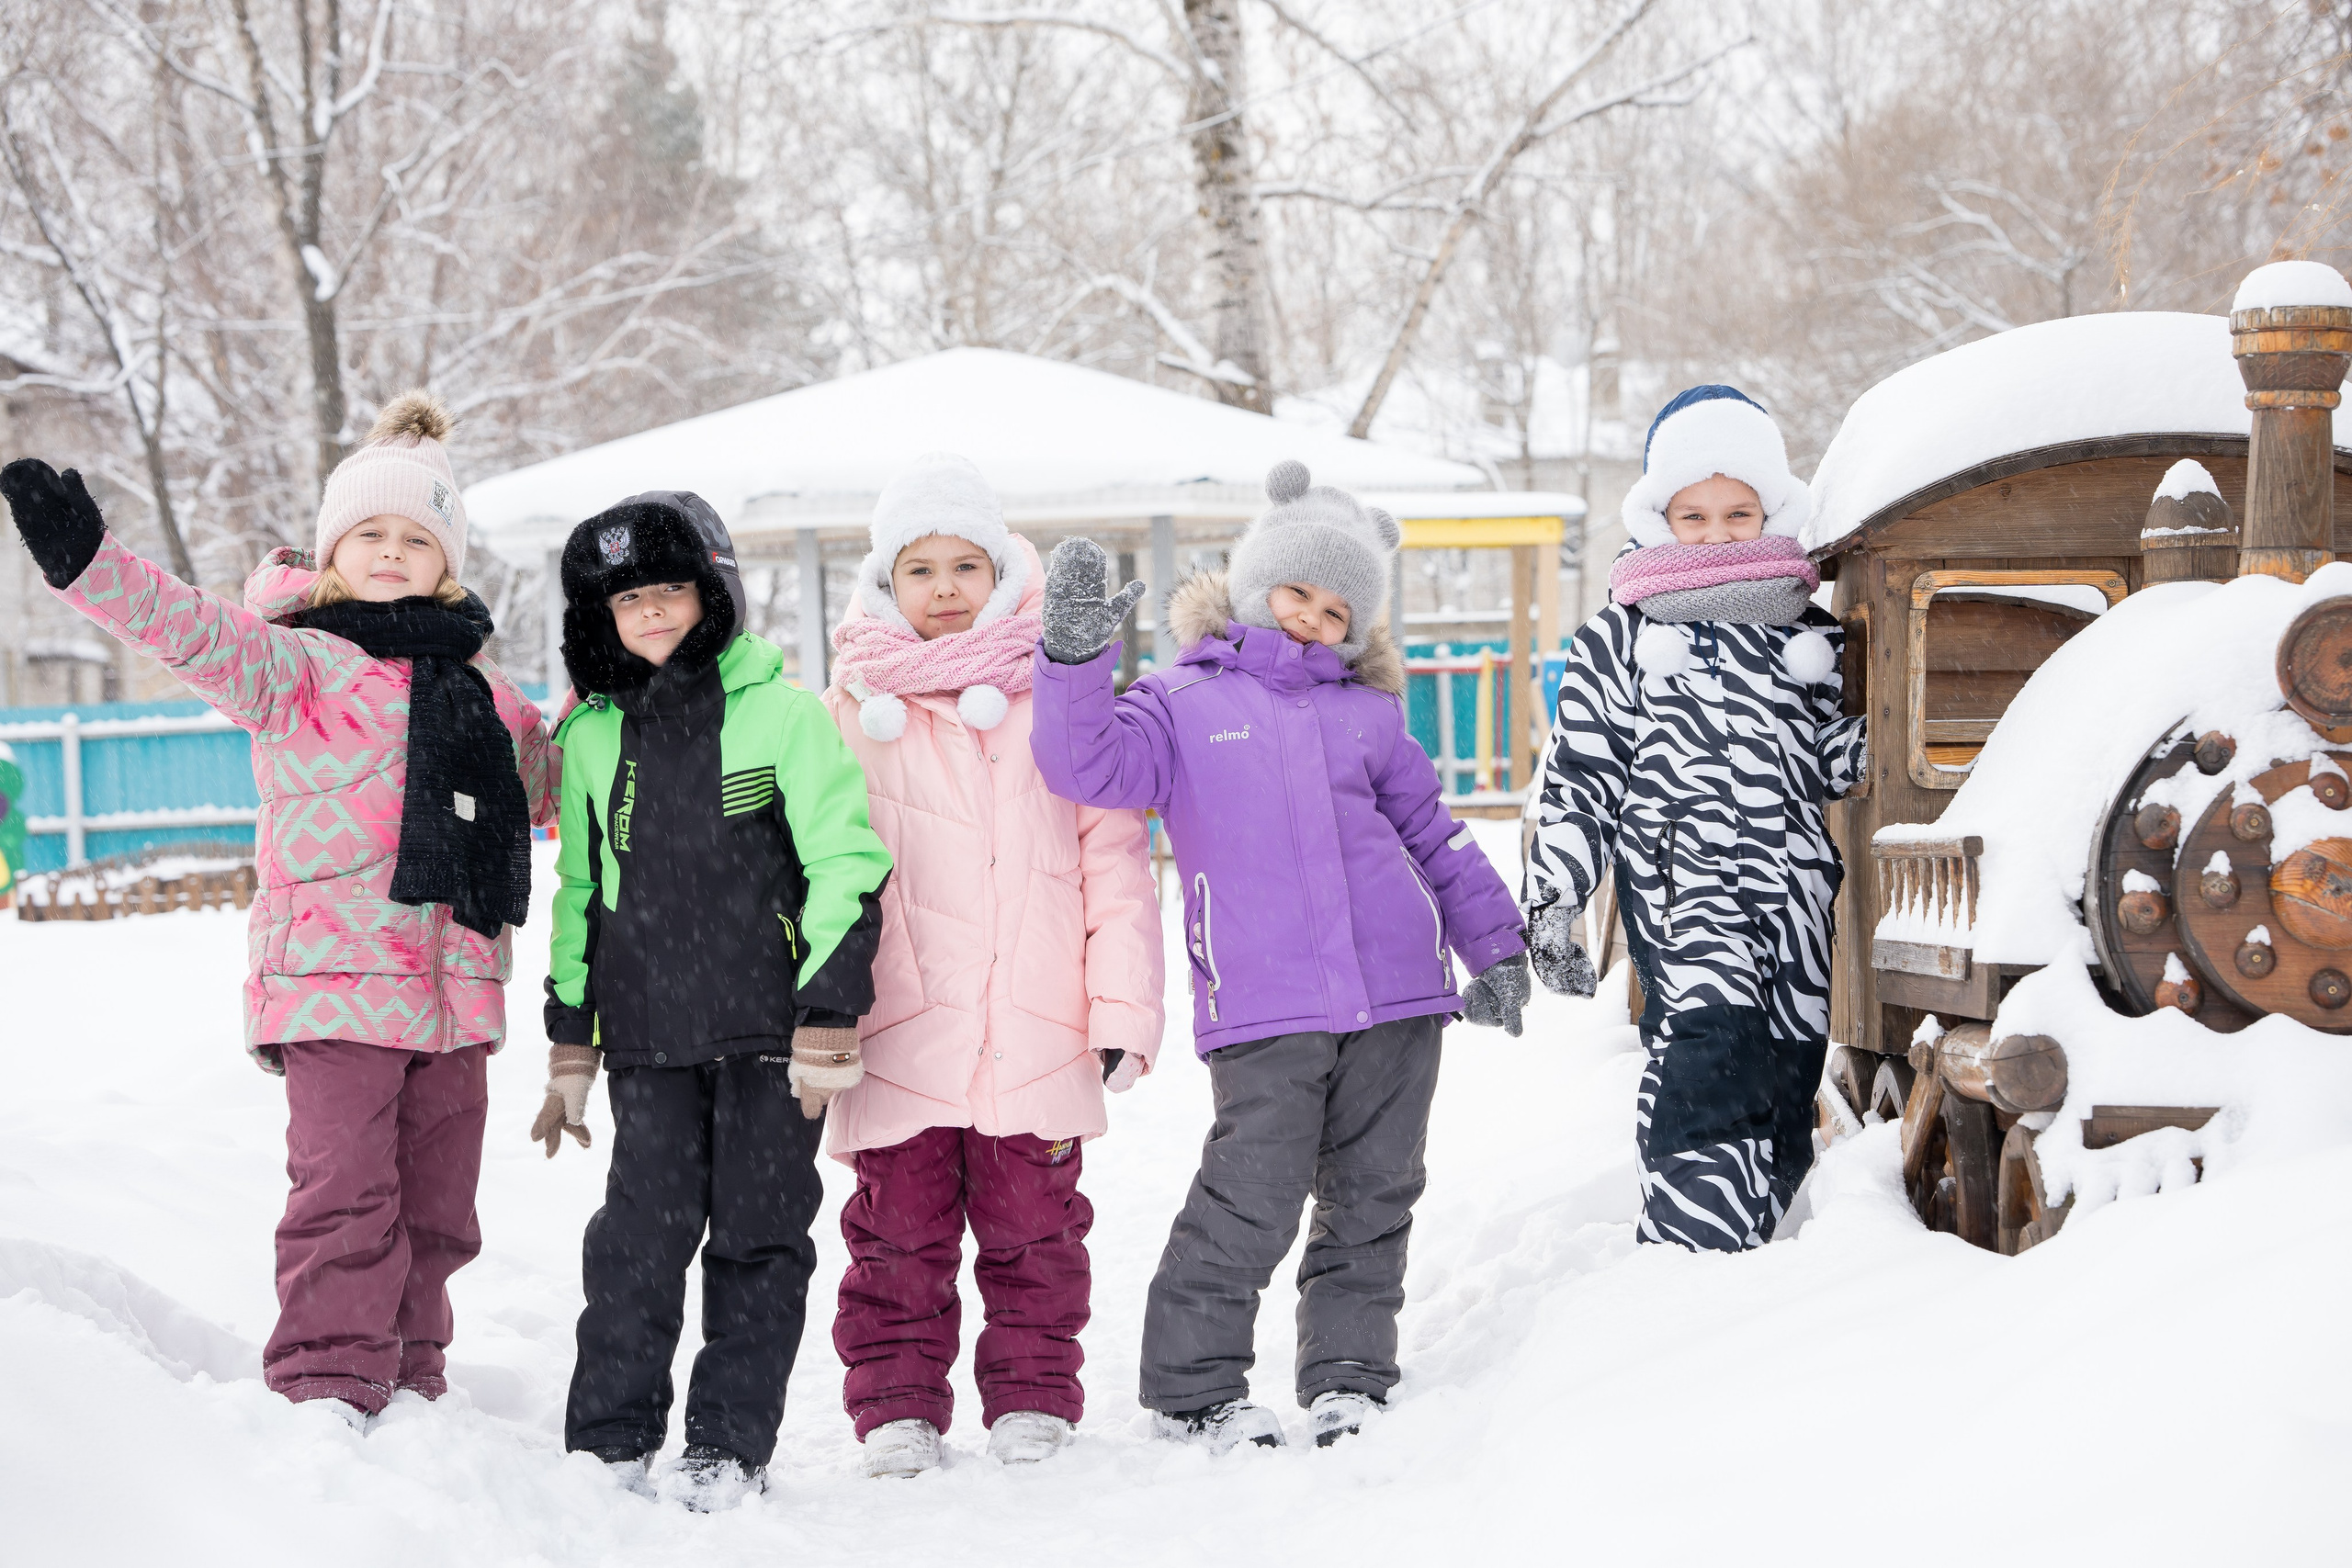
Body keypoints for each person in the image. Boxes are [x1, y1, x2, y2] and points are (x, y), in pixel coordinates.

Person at [0, 395, 556, 1420]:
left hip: (455, 991)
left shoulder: (485, 689)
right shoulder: (298, 662)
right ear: (337, 551)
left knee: (438, 1212)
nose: (393, 553)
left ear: (449, 561)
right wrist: (90, 564)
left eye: (417, 538)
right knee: (344, 1196)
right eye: (371, 534)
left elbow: (557, 776)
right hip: (335, 985)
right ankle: (328, 1386)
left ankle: (414, 1374)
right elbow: (191, 632)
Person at [1028, 460, 1529, 1454]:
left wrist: (1496, 946)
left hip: (1397, 997)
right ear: (1254, 582)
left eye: (1337, 607)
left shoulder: (1369, 715)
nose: (1310, 617)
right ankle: (1192, 1389)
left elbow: (1433, 835)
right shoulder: (1177, 700)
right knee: (1248, 1198)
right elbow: (1085, 765)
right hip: (1266, 1002)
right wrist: (1076, 659)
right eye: (1296, 591)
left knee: (1374, 1194)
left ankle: (1348, 1376)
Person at [537, 489, 891, 1509]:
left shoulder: (781, 715)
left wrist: (827, 1012)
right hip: (647, 1040)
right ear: (598, 618)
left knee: (758, 1239)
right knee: (636, 1242)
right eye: (626, 599)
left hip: (769, 1039)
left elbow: (846, 864)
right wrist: (572, 1040)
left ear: (712, 592)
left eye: (669, 591)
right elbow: (581, 893)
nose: (650, 613)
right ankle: (605, 1442)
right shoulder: (593, 737)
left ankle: (727, 1444)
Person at [820, 454, 1163, 1478]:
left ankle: (1030, 1395)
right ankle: (893, 1404)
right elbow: (815, 869)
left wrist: (1121, 1013)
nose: (943, 589)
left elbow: (1114, 861)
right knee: (895, 1237)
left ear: (1004, 576)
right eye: (918, 570)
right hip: (901, 1020)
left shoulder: (1056, 702)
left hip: (1036, 1015)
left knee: (1036, 1232)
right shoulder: (847, 714)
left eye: (966, 566)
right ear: (886, 584)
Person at [1523, 384, 1868, 1252]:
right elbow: (1582, 773)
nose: (1717, 534)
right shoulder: (1623, 637)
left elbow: (1827, 761)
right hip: (1685, 883)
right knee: (1706, 1046)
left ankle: (1748, 1244)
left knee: (1788, 1067)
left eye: (1738, 513)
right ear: (1658, 518)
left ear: (1771, 514)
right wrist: (1556, 895)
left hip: (1791, 889)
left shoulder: (1812, 636)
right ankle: (1686, 1255)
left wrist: (1884, 742)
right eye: (1695, 514)